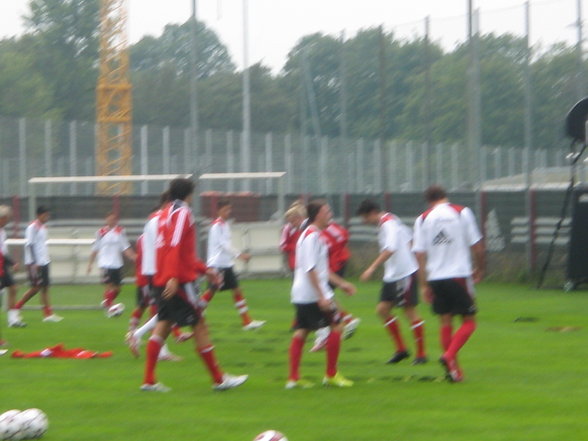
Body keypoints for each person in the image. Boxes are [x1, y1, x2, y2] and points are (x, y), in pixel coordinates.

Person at [141, 178, 248, 392]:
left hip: (160, 278)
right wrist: (174, 276)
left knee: (163, 325)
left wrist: (203, 269)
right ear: (189, 194)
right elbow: (175, 245)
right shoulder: (183, 213)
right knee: (199, 324)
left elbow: (177, 251)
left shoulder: (163, 215)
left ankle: (149, 380)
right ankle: (219, 379)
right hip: (178, 281)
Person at [412, 185, 485, 382]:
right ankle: (449, 355)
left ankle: (454, 371)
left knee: (445, 322)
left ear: (428, 200)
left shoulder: (423, 218)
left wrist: (423, 284)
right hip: (458, 274)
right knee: (469, 321)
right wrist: (480, 268)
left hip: (435, 277)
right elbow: (477, 246)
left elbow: (419, 254)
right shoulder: (461, 212)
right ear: (445, 196)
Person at [286, 199, 356, 389]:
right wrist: (322, 296)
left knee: (302, 330)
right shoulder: (311, 237)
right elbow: (310, 269)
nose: (330, 215)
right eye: (327, 212)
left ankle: (293, 379)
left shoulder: (314, 234)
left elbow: (323, 270)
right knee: (337, 326)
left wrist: (342, 284)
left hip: (303, 293)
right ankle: (331, 374)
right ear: (317, 215)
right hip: (312, 294)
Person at [356, 199, 427, 365]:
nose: (364, 222)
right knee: (382, 310)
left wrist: (371, 268)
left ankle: (422, 354)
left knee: (409, 312)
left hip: (404, 273)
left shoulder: (388, 224)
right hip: (393, 274)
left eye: (365, 218)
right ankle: (401, 350)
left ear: (372, 213)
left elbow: (390, 248)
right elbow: (408, 238)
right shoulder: (390, 220)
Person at [203, 198, 265, 330]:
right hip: (217, 264)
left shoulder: (224, 225)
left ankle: (247, 321)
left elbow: (226, 245)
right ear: (219, 210)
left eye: (229, 209)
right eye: (225, 210)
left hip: (226, 264)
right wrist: (240, 255)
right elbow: (223, 245)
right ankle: (198, 315)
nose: (228, 212)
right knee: (211, 291)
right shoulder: (216, 226)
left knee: (236, 289)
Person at [13, 206, 62, 323]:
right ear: (39, 215)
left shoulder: (43, 228)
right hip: (34, 263)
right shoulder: (32, 228)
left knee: (45, 288)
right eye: (45, 215)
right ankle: (16, 308)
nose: (47, 217)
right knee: (35, 288)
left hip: (44, 261)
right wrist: (35, 262)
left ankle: (48, 314)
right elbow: (30, 245)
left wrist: (45, 259)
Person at [87, 212, 136, 317]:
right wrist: (90, 263)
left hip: (117, 263)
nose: (111, 221)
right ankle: (111, 309)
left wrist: (133, 257)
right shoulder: (101, 232)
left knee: (118, 288)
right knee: (109, 286)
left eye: (114, 219)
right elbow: (95, 248)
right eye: (109, 219)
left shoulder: (120, 231)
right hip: (105, 263)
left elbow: (125, 246)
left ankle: (107, 302)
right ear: (106, 219)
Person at [0, 206, 25, 328]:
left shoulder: (3, 232)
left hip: (2, 264)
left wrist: (11, 262)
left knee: (13, 288)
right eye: (7, 218)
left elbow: (3, 252)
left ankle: (13, 320)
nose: (8, 220)